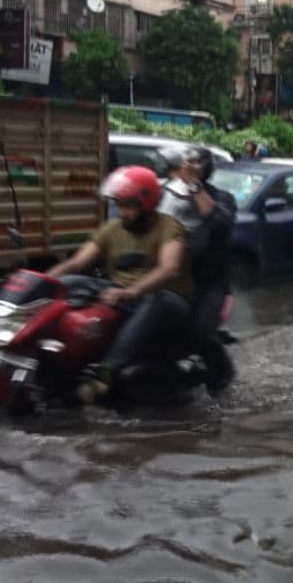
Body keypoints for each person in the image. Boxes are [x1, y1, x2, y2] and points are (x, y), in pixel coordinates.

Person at [46, 165, 195, 400]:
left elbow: (169, 269)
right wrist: (44, 281)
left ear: (146, 205)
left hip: (167, 301)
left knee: (159, 300)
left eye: (128, 205)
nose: (121, 211)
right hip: (120, 294)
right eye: (119, 204)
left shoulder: (169, 227)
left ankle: (106, 372)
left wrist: (132, 291)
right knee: (73, 282)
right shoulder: (112, 228)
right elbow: (76, 263)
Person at [159, 146, 238, 392]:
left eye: (190, 167)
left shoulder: (221, 198)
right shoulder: (163, 194)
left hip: (207, 284)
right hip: (164, 276)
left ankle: (222, 372)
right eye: (180, 167)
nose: (181, 172)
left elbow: (220, 225)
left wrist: (195, 187)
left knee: (199, 335)